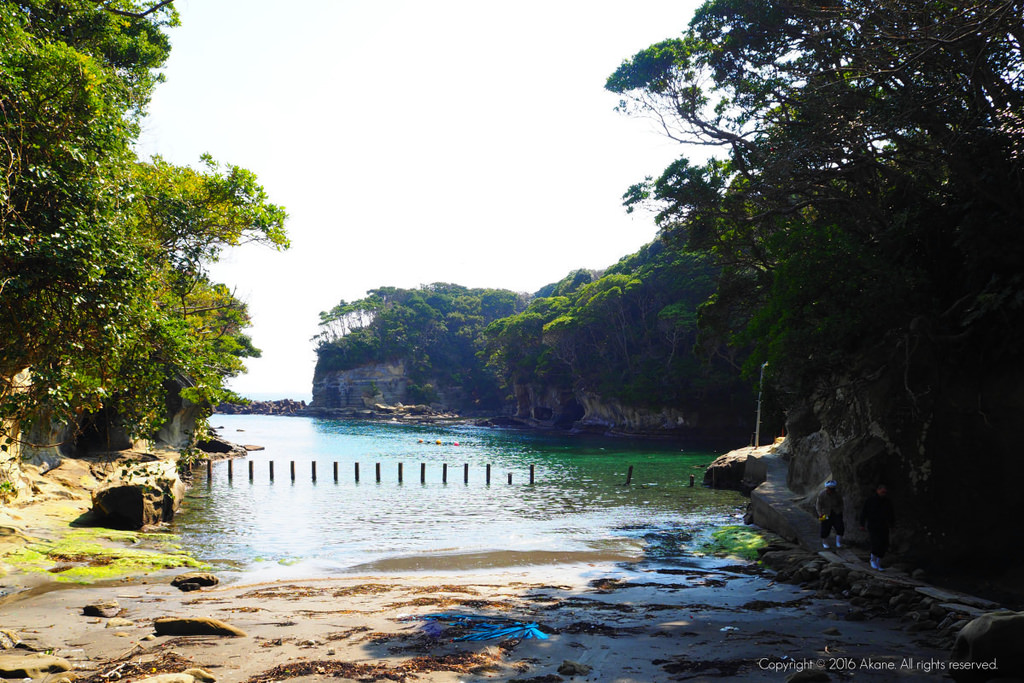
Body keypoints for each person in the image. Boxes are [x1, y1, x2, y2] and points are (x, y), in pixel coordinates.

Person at [859, 484, 896, 571]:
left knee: (884, 543)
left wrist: (892, 525)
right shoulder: (870, 501)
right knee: (876, 542)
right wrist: (862, 524)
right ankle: (873, 560)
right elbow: (864, 513)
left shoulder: (887, 502)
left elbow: (891, 514)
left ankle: (879, 562)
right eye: (882, 492)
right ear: (877, 491)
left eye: (885, 492)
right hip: (873, 525)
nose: (884, 493)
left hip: (884, 525)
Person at [815, 480, 844, 549]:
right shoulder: (822, 494)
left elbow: (841, 503)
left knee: (840, 527)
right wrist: (820, 514)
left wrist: (840, 510)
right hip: (824, 513)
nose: (830, 490)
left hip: (836, 512)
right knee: (824, 528)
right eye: (829, 488)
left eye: (832, 489)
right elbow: (818, 505)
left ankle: (838, 542)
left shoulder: (837, 494)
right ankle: (825, 543)